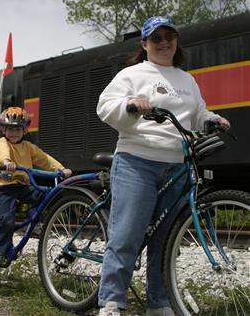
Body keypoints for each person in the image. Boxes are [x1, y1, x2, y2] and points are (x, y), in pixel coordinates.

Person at [95, 16, 230, 316]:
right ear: (144, 44)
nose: (164, 42)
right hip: (136, 162)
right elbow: (105, 105)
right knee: (127, 234)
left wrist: (211, 120)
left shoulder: (187, 81)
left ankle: (157, 303)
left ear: (176, 41)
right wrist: (130, 105)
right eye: (156, 38)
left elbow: (196, 115)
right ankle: (111, 301)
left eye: (170, 36)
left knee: (166, 239)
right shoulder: (133, 74)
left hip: (177, 165)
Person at [0, 107, 72, 272]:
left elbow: (44, 158)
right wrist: (7, 162)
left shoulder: (28, 147)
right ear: (4, 130)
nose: (14, 133)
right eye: (10, 129)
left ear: (24, 130)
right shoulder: (3, 143)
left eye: (18, 129)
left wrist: (61, 169)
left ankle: (35, 221)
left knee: (42, 194)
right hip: (1, 187)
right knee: (7, 219)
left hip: (21, 186)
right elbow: (2, 154)